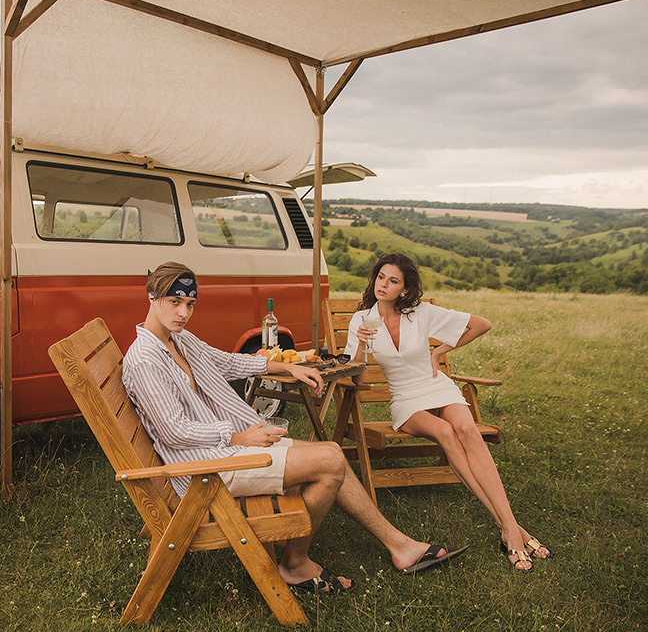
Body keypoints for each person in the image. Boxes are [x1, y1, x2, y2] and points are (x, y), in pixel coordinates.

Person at [121, 261, 467, 594]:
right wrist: (239, 437)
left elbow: (227, 361)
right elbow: (172, 432)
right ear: (152, 297)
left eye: (190, 303)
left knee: (332, 452)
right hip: (207, 470)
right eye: (175, 302)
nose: (183, 312)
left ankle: (401, 546)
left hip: (225, 453)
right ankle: (295, 563)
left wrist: (289, 368)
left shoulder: (178, 340)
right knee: (330, 463)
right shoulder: (145, 359)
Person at [347, 252, 552, 572]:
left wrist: (441, 349)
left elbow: (482, 324)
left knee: (468, 430)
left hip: (437, 386)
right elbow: (356, 378)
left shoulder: (421, 313)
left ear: (404, 289)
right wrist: (360, 346)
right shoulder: (362, 321)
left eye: (393, 281)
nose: (383, 285)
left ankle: (508, 527)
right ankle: (512, 529)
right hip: (406, 398)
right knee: (445, 432)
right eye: (381, 277)